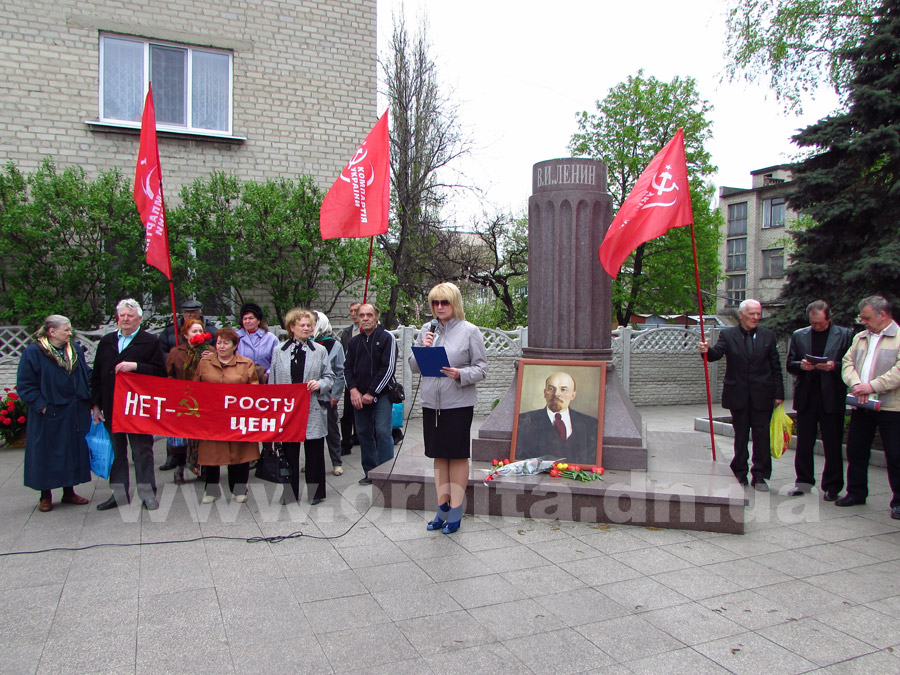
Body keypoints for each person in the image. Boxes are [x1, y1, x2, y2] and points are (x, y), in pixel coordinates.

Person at [410, 283, 487, 534]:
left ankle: (456, 509)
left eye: (445, 302)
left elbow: (482, 368)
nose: (440, 307)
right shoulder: (426, 330)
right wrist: (424, 346)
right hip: (432, 403)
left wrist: (460, 374)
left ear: (455, 303)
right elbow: (414, 366)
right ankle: (441, 506)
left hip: (458, 404)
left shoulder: (469, 331)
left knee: (456, 455)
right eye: (435, 303)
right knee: (439, 455)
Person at [699, 298, 784, 491]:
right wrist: (706, 351)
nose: (756, 317)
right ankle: (739, 471)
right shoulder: (728, 335)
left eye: (758, 314)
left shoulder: (767, 336)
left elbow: (775, 366)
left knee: (762, 436)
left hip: (763, 394)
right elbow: (716, 354)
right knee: (741, 435)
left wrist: (778, 393)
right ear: (742, 314)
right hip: (738, 394)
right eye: (752, 314)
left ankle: (760, 475)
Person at [91, 298, 166, 511]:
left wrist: (136, 366)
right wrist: (95, 405)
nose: (125, 319)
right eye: (122, 315)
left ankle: (147, 494)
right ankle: (118, 494)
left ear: (139, 319)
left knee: (142, 451)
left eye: (130, 316)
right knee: (116, 452)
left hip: (136, 407)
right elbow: (96, 375)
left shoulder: (149, 341)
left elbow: (160, 373)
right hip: (111, 405)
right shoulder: (107, 342)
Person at [16, 315, 92, 513]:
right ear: (52, 331)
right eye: (66, 329)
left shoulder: (73, 349)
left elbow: (85, 373)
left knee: (70, 451)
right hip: (48, 412)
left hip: (72, 410)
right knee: (46, 453)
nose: (70, 333)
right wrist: (42, 406)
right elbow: (26, 384)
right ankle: (45, 495)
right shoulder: (34, 352)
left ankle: (69, 491)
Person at [836, 295, 900, 517]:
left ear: (883, 315)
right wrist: (856, 384)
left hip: (891, 408)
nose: (862, 321)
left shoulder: (898, 336)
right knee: (856, 449)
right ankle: (856, 492)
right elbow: (847, 362)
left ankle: (898, 501)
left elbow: (898, 372)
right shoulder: (860, 337)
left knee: (895, 454)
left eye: (866, 317)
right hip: (862, 403)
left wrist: (872, 386)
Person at [785, 300, 853, 499]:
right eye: (813, 323)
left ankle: (832, 486)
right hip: (807, 395)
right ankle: (803, 482)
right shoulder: (799, 335)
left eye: (821, 324)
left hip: (832, 395)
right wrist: (801, 365)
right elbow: (790, 363)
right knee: (804, 443)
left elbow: (852, 363)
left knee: (832, 443)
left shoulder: (845, 335)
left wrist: (834, 366)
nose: (817, 327)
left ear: (829, 318)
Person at [270, 309, 334, 504]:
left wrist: (320, 385)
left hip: (312, 406)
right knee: (289, 452)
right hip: (288, 409)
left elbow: (330, 377)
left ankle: (316, 494)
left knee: (314, 452)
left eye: (309, 325)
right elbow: (272, 381)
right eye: (302, 325)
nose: (306, 328)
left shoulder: (320, 350)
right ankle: (289, 493)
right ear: (292, 327)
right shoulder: (279, 350)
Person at [194, 327, 260, 503]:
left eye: (226, 343)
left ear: (234, 345)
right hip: (212, 417)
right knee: (211, 454)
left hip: (237, 416)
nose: (221, 346)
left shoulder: (246, 364)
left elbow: (254, 390)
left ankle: (239, 489)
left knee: (240, 453)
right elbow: (195, 387)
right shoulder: (205, 362)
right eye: (219, 342)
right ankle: (211, 490)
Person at [158, 299, 217, 471]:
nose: (189, 315)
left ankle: (201, 464)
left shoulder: (210, 346)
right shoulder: (174, 343)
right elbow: (165, 364)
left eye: (193, 313)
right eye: (186, 313)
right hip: (182, 395)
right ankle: (177, 461)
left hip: (203, 397)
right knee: (179, 433)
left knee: (201, 434)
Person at [344, 303, 396, 485]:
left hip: (381, 395)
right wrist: (353, 390)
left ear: (376, 317)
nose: (365, 318)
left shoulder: (387, 338)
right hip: (359, 397)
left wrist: (371, 392)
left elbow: (388, 368)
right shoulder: (353, 342)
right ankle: (370, 472)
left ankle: (386, 473)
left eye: (369, 315)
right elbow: (347, 368)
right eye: (362, 315)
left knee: (382, 432)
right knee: (364, 433)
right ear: (357, 318)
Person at [515, 371, 599, 465]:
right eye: (551, 388)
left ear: (573, 395)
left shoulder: (590, 424)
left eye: (564, 389)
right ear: (544, 393)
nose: (556, 394)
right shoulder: (524, 421)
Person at [313, 311, 346, 476]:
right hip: (309, 396)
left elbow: (340, 373)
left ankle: (336, 462)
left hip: (327, 396)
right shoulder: (306, 343)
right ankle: (314, 461)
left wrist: (335, 395)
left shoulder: (334, 345)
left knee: (332, 430)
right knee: (311, 432)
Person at [236, 302, 279, 384]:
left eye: (251, 318)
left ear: (258, 320)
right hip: (241, 382)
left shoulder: (271, 338)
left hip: (266, 382)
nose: (247, 321)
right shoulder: (235, 338)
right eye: (245, 319)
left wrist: (267, 374)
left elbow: (277, 361)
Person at [339, 301, 362, 455]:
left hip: (366, 378)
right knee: (347, 412)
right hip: (351, 377)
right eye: (351, 311)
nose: (353, 314)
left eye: (356, 311)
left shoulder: (369, 331)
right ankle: (345, 442)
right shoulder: (347, 333)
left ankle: (360, 437)